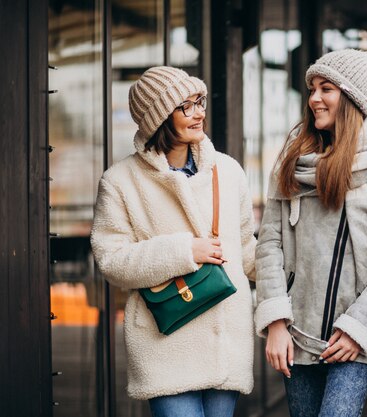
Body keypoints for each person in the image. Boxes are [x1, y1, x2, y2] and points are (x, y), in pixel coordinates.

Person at [90, 66, 257, 417]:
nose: (199, 113)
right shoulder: (120, 181)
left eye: (200, 102)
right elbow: (111, 261)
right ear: (160, 118)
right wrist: (183, 251)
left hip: (225, 340)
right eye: (186, 106)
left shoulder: (228, 172)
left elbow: (247, 250)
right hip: (165, 343)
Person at [254, 49, 367, 417]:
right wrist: (276, 320)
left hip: (356, 336)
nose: (313, 99)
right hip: (298, 332)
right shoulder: (293, 159)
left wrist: (359, 327)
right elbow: (270, 243)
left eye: (326, 88)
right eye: (312, 88)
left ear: (352, 97)